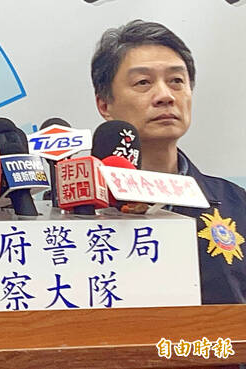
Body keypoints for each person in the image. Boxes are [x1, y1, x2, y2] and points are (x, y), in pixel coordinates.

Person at [92, 19, 246, 303]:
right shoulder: (76, 209)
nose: (165, 96)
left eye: (176, 81)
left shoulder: (237, 204)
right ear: (105, 104)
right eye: (143, 83)